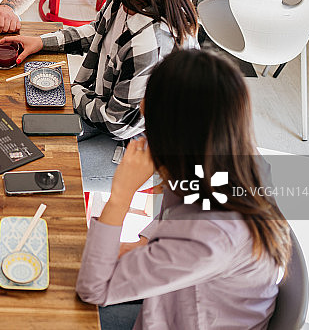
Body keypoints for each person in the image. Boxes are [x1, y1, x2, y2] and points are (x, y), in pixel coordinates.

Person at [76, 49, 292, 330]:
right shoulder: (233, 160)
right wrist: (139, 244)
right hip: (182, 295)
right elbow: (175, 218)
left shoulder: (210, 236)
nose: (142, 106)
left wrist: (121, 197)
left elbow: (92, 289)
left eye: (149, 101)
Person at [0, 0, 198, 176]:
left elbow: (117, 124)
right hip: (102, 108)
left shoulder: (150, 43)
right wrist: (43, 42)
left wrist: (72, 92)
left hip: (135, 145)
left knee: (36, 164)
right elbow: (98, 32)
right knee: (23, 128)